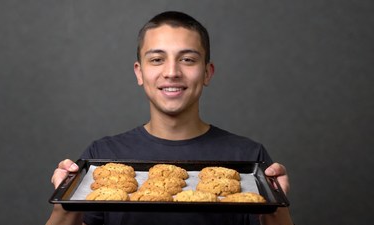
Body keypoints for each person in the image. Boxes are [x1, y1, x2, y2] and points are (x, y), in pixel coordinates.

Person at [46, 11, 293, 225]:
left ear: (207, 72)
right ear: (139, 72)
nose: (172, 72)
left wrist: (277, 207)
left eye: (187, 59)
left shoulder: (248, 158)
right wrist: (64, 201)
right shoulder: (101, 155)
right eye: (156, 60)